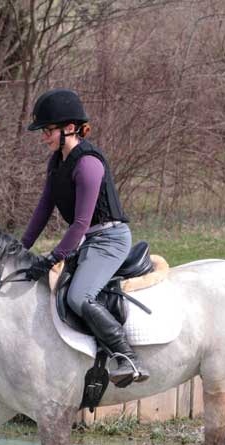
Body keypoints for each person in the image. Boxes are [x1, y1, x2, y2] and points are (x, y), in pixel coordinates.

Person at [21, 88, 149, 386]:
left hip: (109, 239)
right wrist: (19, 249)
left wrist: (53, 257)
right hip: (89, 240)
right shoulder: (56, 163)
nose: (44, 137)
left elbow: (79, 224)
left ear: (69, 129)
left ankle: (126, 355)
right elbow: (43, 210)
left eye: (48, 131)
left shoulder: (89, 164)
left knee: (80, 296)